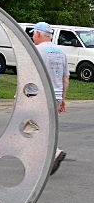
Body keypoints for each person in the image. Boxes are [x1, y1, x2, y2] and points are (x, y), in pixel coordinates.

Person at [29, 22, 69, 175]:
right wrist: (62, 98)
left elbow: (29, 75)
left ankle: (53, 152)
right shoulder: (61, 52)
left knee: (29, 126)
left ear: (38, 34)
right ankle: (42, 160)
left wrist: (19, 96)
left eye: (34, 34)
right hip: (55, 96)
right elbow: (66, 78)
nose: (33, 37)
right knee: (43, 126)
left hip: (37, 96)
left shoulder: (35, 51)